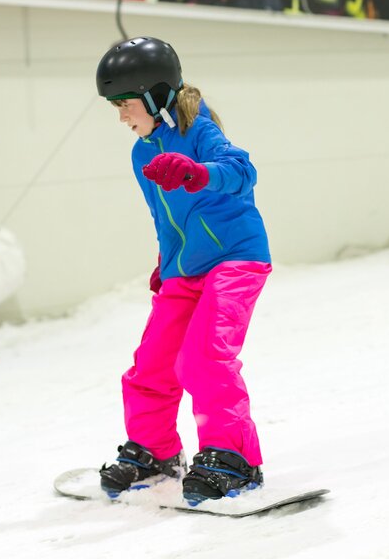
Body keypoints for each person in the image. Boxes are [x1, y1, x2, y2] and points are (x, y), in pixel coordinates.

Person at [95, 36, 272, 503]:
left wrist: (197, 171)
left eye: (125, 104)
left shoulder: (200, 128)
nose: (121, 116)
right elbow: (165, 218)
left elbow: (241, 171)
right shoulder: (141, 153)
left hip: (236, 258)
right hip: (185, 268)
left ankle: (232, 457)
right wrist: (165, 263)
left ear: (155, 95)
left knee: (204, 357)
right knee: (150, 364)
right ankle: (154, 451)